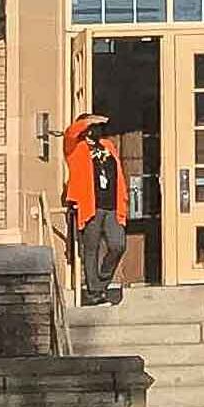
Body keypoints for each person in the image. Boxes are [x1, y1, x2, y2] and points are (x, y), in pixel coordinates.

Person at [62, 111, 127, 306]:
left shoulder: (108, 146)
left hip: (111, 206)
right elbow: (70, 134)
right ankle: (93, 292)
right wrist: (87, 121)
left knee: (118, 245)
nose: (98, 129)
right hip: (90, 205)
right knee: (91, 248)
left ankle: (102, 281)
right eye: (94, 126)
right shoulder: (75, 148)